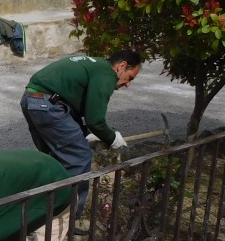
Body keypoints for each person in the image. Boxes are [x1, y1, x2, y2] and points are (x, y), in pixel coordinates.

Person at [20, 50, 142, 216]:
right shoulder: (106, 73)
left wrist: (83, 132)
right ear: (122, 66)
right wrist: (113, 140)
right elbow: (95, 120)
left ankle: (40, 214)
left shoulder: (95, 64)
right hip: (47, 104)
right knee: (80, 157)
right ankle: (67, 218)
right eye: (130, 77)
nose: (128, 84)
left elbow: (75, 106)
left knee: (54, 160)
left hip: (33, 99)